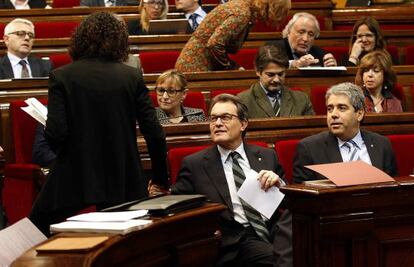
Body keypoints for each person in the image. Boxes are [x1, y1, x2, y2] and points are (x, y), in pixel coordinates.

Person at [29, 12, 169, 236]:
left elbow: (56, 132)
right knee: (127, 242)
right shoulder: (131, 76)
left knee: (35, 228)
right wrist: (161, 177)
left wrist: (70, 154)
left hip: (75, 174)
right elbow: (154, 133)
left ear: (80, 39)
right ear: (120, 40)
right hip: (123, 175)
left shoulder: (62, 76)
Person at [172, 94, 293, 267]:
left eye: (225, 118)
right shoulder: (195, 164)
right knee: (280, 260)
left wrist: (280, 185)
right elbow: (178, 206)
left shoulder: (266, 156)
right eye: (213, 118)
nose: (218, 123)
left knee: (307, 245)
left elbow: (289, 203)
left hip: (274, 231)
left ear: (243, 124)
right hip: (234, 239)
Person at [293, 82, 398, 183]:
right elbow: (301, 196)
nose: (333, 114)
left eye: (342, 108)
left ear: (359, 113)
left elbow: (393, 188)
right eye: (330, 109)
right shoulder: (310, 148)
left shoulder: (382, 144)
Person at [175, 0, 291, 72]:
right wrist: (230, 67)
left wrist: (233, 65)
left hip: (197, 63)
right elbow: (214, 44)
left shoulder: (243, 7)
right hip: (195, 67)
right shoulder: (242, 13)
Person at [238, 45, 314, 118]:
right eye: (270, 75)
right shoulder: (243, 101)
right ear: (258, 71)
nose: (276, 80)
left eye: (281, 74)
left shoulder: (302, 100)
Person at [266, 12, 337, 68]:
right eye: (301, 32)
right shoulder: (273, 48)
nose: (305, 39)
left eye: (311, 34)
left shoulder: (320, 54)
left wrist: (332, 68)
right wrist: (294, 64)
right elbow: (269, 66)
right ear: (289, 31)